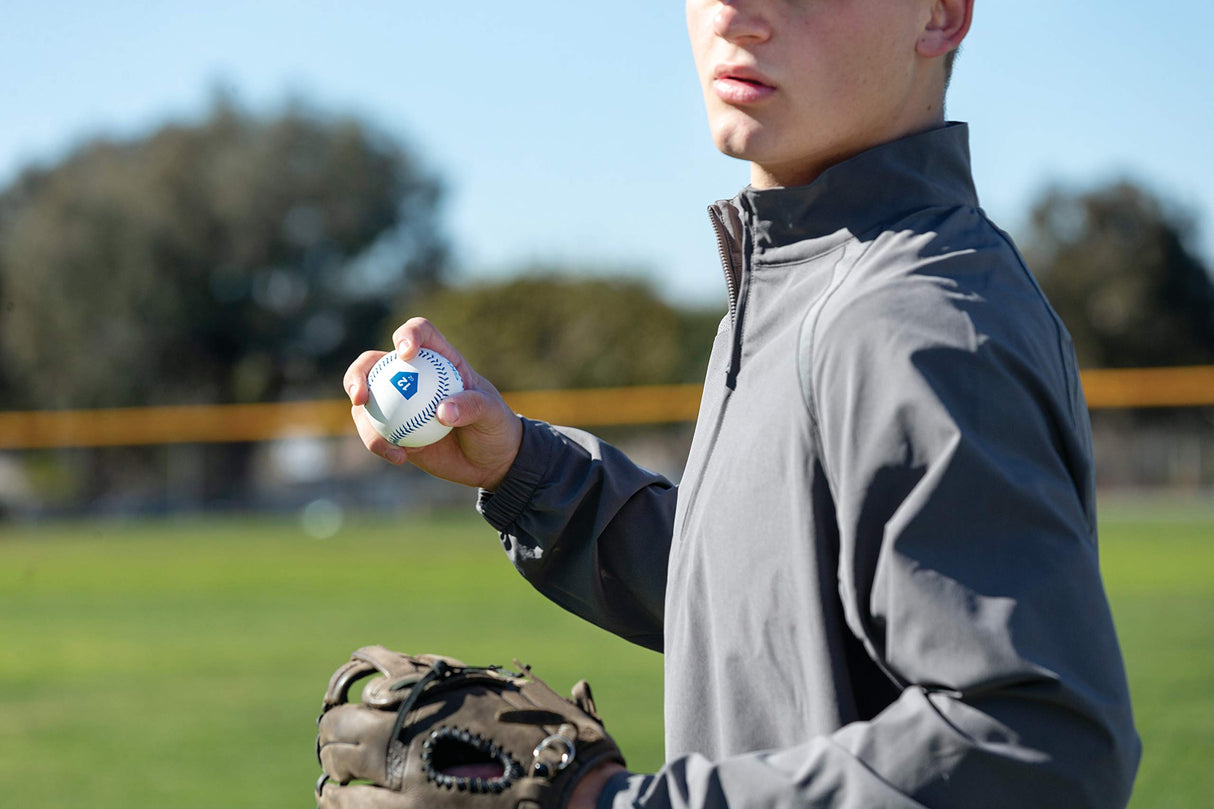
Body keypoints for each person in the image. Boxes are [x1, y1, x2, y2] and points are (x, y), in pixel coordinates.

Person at [344, 0, 1141, 806]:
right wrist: (525, 467)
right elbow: (768, 612)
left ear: (938, 16)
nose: (734, 13)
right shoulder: (809, 276)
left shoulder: (913, 317)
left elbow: (1037, 748)